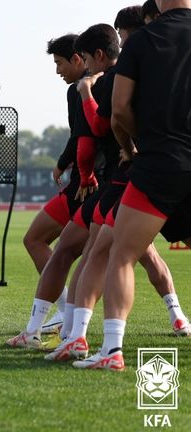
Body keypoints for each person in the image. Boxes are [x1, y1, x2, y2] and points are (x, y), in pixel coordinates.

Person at [74, 0, 191, 371]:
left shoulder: (142, 40)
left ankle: (112, 351)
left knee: (121, 254)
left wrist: (131, 147)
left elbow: (120, 110)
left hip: (157, 161)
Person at [6, 34, 93, 349]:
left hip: (87, 184)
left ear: (78, 58)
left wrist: (69, 167)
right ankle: (176, 314)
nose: (57, 70)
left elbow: (82, 135)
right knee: (133, 254)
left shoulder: (80, 89)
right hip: (101, 179)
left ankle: (63, 321)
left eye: (59, 63)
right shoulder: (109, 81)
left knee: (57, 248)